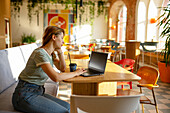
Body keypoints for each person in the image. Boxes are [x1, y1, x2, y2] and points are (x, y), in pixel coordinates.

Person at [12, 26, 86, 113]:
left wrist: (59, 51)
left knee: (69, 107)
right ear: (54, 37)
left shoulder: (50, 54)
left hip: (37, 92)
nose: (63, 41)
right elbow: (56, 77)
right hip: (24, 95)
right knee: (64, 112)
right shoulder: (40, 53)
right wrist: (76, 73)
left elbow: (62, 68)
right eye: (62, 38)